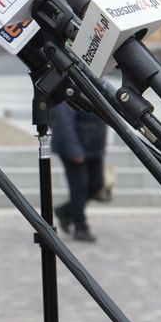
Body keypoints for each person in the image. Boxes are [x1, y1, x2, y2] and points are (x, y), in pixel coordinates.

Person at [51, 101, 108, 242]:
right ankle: (80, 227)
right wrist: (74, 150)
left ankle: (65, 211)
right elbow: (64, 122)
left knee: (97, 184)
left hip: (93, 148)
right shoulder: (68, 87)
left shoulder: (95, 83)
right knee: (79, 188)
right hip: (74, 148)